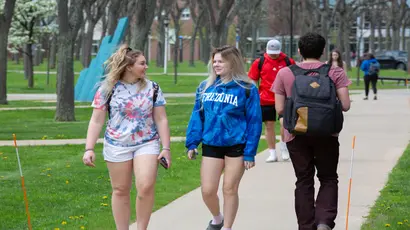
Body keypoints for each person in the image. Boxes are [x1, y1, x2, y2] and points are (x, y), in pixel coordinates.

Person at [82, 44, 171, 230]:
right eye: (142, 63)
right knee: (120, 190)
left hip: (146, 142)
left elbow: (161, 119)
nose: (146, 67)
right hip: (117, 144)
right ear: (129, 66)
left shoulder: (152, 88)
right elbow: (96, 121)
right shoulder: (108, 89)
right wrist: (89, 149)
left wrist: (166, 148)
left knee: (145, 186)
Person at [273, 32, 351, 230]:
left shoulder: (285, 73)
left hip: (296, 134)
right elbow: (346, 105)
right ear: (323, 51)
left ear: (299, 51)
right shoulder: (335, 72)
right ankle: (324, 221)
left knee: (304, 180)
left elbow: (280, 109)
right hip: (327, 134)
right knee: (328, 177)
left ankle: (306, 226)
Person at [185, 45, 262, 230]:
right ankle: (217, 218)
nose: (216, 64)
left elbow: (254, 122)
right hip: (212, 143)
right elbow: (197, 116)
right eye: (215, 61)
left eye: (221, 61)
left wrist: (250, 152)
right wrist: (192, 142)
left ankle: (227, 227)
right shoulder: (205, 87)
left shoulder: (247, 88)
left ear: (232, 62)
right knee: (208, 190)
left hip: (236, 145)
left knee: (229, 188)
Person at [248, 39, 295, 163]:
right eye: (271, 52)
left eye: (275, 52)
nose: (273, 55)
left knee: (284, 123)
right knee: (269, 126)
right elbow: (253, 79)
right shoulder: (260, 62)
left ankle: (284, 146)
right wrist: (255, 95)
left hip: (284, 98)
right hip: (265, 98)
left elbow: (294, 77)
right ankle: (272, 152)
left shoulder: (288, 61)